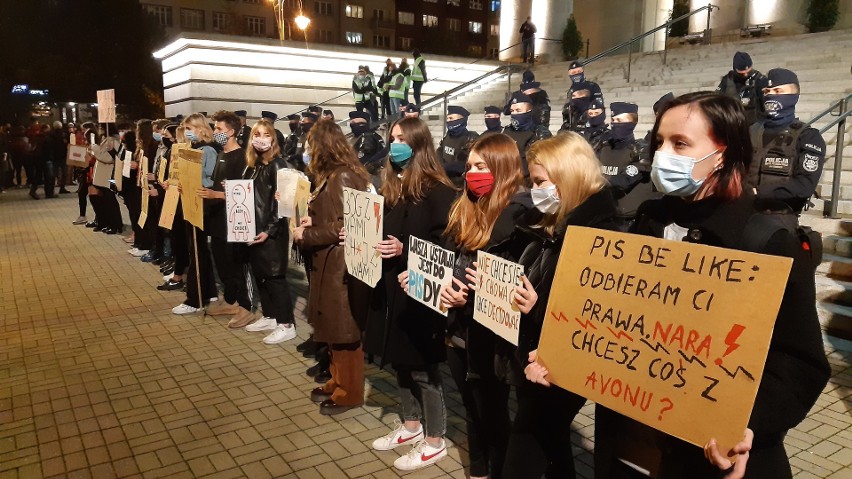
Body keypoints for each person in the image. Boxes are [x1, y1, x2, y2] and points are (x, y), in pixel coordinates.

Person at [529, 91, 829, 479]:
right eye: (659, 143)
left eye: (680, 143)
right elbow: (610, 320)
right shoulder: (643, 223)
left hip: (710, 457)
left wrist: (747, 427)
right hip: (630, 445)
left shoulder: (768, 241)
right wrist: (561, 356)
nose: (662, 154)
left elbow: (799, 363)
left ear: (724, 152)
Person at [503, 132, 619, 479]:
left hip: (562, 366)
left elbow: (601, 316)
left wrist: (540, 309)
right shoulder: (552, 224)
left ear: (568, 177)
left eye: (541, 181)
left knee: (521, 457)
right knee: (553, 446)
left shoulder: (604, 237)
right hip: (535, 357)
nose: (535, 189)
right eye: (533, 180)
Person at [364, 117, 456, 471]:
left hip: (420, 292)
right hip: (392, 290)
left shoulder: (439, 191)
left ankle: (435, 440)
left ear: (419, 144)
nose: (395, 144)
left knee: (422, 368)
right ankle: (411, 424)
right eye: (392, 138)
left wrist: (406, 249)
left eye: (403, 138)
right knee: (400, 361)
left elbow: (445, 245)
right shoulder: (393, 187)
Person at [442, 133, 532, 479]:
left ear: (503, 167)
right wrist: (440, 285)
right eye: (468, 167)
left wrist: (475, 296)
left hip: (490, 338)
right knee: (471, 408)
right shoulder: (464, 209)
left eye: (481, 166)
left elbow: (515, 284)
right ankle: (477, 471)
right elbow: (449, 260)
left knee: (493, 414)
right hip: (456, 330)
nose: (471, 174)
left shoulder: (519, 219)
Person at [295, 119, 372, 415]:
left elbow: (346, 226)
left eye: (310, 144)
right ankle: (337, 382)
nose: (307, 150)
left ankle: (349, 392)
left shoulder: (342, 177)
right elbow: (333, 219)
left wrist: (308, 234)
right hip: (329, 262)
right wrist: (314, 222)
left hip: (340, 266)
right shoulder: (332, 175)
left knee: (344, 332)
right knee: (333, 329)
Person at [195, 111, 255, 327]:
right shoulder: (221, 154)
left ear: (230, 131)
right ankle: (231, 300)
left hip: (235, 222)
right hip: (218, 221)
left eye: (219, 129)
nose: (216, 132)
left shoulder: (243, 158)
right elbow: (218, 183)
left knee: (237, 265)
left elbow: (244, 193)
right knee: (222, 263)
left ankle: (246, 307)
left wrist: (217, 195)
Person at [240, 119, 297, 344]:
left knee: (274, 277)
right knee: (261, 275)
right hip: (253, 227)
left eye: (265, 135)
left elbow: (282, 204)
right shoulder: (252, 165)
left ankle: (286, 324)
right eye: (256, 134)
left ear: (273, 139)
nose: (260, 139)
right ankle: (270, 316)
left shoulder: (277, 164)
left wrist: (270, 229)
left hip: (271, 232)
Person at [748, 68, 826, 215]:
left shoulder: (808, 137)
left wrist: (757, 191)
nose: (770, 95)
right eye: (767, 92)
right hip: (742, 211)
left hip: (780, 216)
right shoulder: (751, 131)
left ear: (794, 96)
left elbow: (804, 186)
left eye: (778, 91)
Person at [171, 113, 220, 316]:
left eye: (190, 128)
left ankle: (195, 298)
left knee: (197, 251)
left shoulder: (208, 150)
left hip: (201, 204)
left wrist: (195, 184)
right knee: (197, 249)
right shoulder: (193, 148)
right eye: (186, 128)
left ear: (201, 128)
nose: (187, 132)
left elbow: (210, 179)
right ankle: (208, 291)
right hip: (191, 202)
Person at [596, 101, 659, 230]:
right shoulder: (604, 147)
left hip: (631, 222)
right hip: (605, 215)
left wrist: (592, 184)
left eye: (619, 120)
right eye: (613, 119)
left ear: (632, 122)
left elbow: (623, 182)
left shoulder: (640, 151)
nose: (614, 124)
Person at [502, 92, 552, 177]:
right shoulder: (506, 131)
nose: (514, 114)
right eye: (512, 111)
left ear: (529, 111)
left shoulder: (539, 134)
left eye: (518, 110)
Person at [717, 51, 767, 125]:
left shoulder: (760, 80)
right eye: (742, 72)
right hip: (734, 123)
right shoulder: (727, 80)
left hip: (755, 124)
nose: (746, 74)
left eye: (748, 71)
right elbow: (718, 99)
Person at [438, 106, 479, 186]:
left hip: (459, 184)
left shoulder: (470, 138)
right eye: (448, 119)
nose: (448, 121)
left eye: (451, 118)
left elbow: (463, 164)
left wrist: (444, 168)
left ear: (461, 120)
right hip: (444, 181)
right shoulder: (447, 136)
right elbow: (440, 151)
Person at [349, 111, 385, 182]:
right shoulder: (373, 135)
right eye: (352, 123)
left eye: (355, 123)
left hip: (367, 177)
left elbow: (363, 161)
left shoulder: (367, 137)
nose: (353, 126)